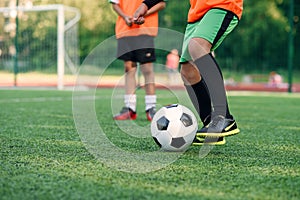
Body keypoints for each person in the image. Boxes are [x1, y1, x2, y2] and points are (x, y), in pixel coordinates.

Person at [134, 0, 243, 145]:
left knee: (198, 47)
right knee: (187, 71)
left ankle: (223, 117)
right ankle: (211, 125)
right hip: (197, 13)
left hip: (221, 4)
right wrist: (146, 4)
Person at [110, 0, 166, 121]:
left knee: (147, 69)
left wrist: (143, 14)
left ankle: (151, 108)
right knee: (129, 68)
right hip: (125, 29)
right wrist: (125, 17)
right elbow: (115, 4)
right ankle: (130, 108)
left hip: (145, 29)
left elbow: (161, 3)